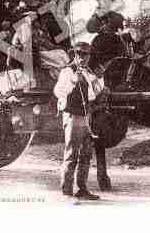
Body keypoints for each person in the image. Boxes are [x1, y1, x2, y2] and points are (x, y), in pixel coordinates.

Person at [53, 42, 104, 200]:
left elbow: (94, 94)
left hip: (86, 116)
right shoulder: (67, 71)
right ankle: (67, 190)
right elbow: (58, 91)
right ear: (75, 55)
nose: (83, 58)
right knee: (72, 153)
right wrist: (72, 83)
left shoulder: (88, 73)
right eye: (80, 54)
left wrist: (99, 79)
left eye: (86, 55)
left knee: (86, 154)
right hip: (72, 115)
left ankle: (82, 188)